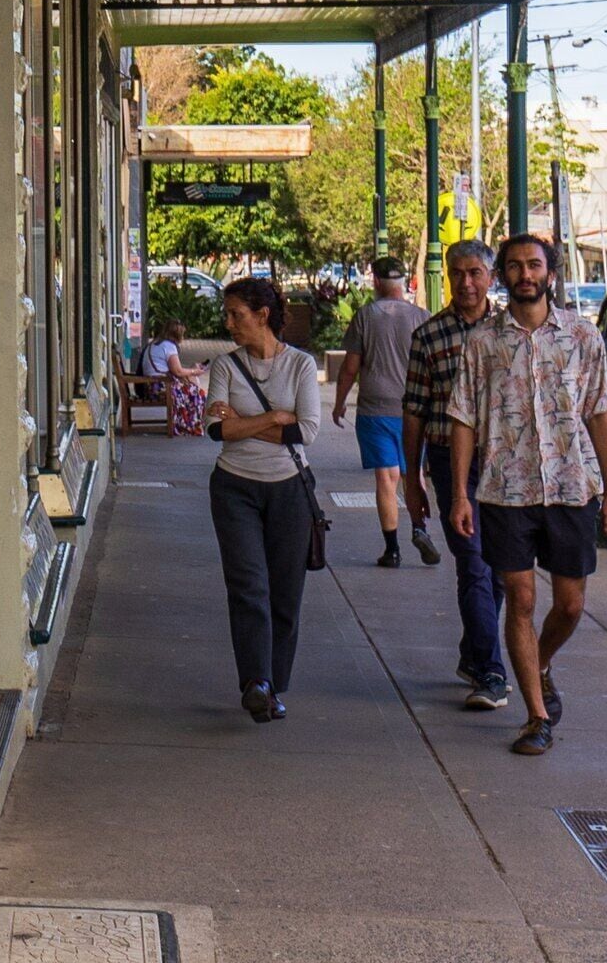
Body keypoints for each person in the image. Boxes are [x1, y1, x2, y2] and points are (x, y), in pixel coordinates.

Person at [443, 233, 607, 759]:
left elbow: (600, 411)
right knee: (520, 599)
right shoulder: (482, 343)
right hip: (506, 488)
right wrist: (460, 493)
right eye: (516, 267)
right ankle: (536, 717)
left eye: (535, 265)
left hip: (572, 486)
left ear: (551, 272)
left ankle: (540, 662)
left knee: (570, 604)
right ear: (504, 274)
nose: (526, 274)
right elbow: (461, 419)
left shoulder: (582, 336)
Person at [202, 274, 328, 724]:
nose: (230, 323)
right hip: (234, 487)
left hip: (289, 490)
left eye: (237, 315)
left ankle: (275, 684)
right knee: (249, 585)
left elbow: (307, 431)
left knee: (285, 592)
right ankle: (255, 682)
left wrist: (246, 420)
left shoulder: (298, 365)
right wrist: (274, 416)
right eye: (228, 314)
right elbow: (216, 430)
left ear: (263, 315)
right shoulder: (225, 367)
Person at [400, 243, 511, 710]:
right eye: (457, 274)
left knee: (503, 568)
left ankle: (472, 651)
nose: (466, 283)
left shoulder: (512, 330)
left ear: (490, 277)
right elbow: (414, 413)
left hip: (506, 464)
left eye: (475, 273)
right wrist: (413, 480)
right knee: (474, 562)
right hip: (450, 464)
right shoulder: (428, 336)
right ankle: (490, 671)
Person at [343, 257, 433, 568]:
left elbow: (350, 366)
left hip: (374, 409)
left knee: (386, 477)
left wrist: (340, 400)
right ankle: (421, 529)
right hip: (414, 409)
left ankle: (392, 549)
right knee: (414, 474)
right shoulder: (423, 317)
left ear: (377, 282)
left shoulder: (365, 316)